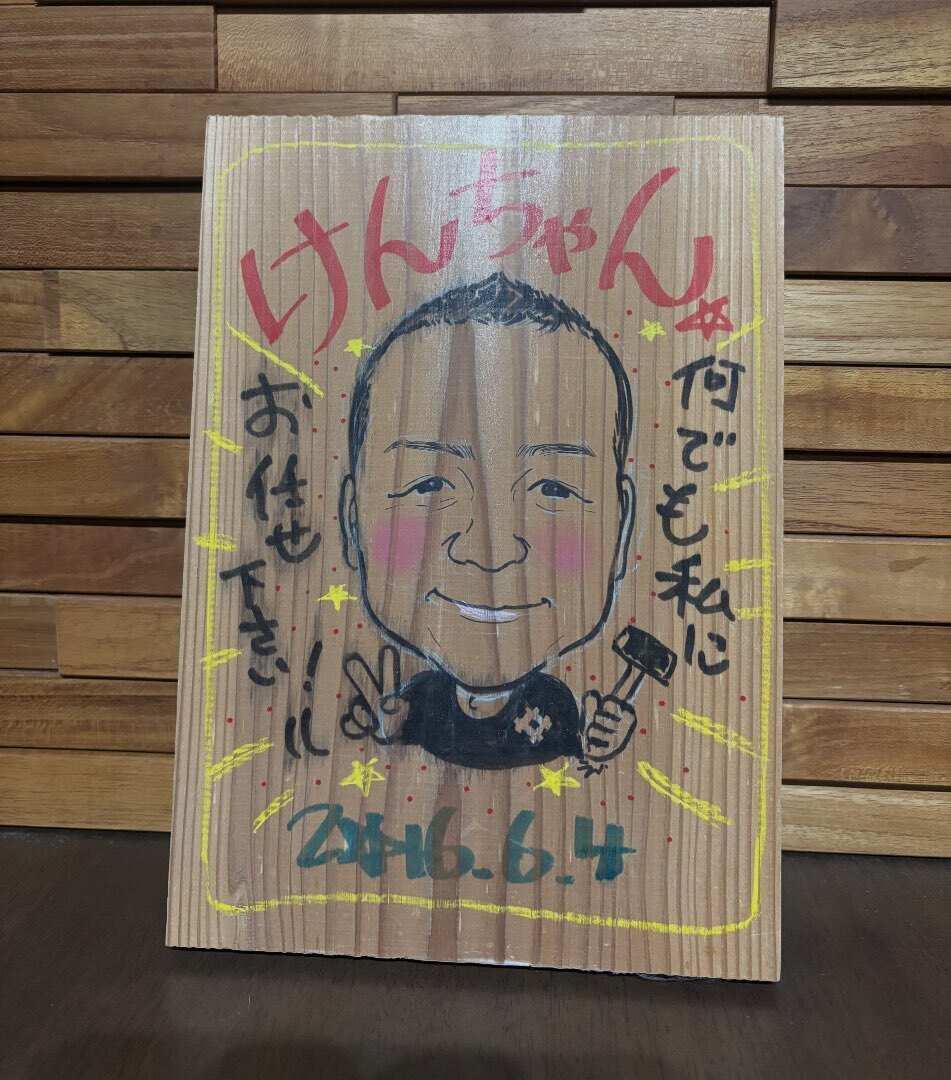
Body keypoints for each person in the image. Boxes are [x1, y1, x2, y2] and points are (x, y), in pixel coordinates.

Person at [338, 271, 645, 771]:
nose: (491, 551)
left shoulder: (559, 709)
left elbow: (582, 755)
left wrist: (603, 742)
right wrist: (390, 723)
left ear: (622, 530)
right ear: (352, 521)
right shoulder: (419, 698)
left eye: (553, 489)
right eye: (429, 485)